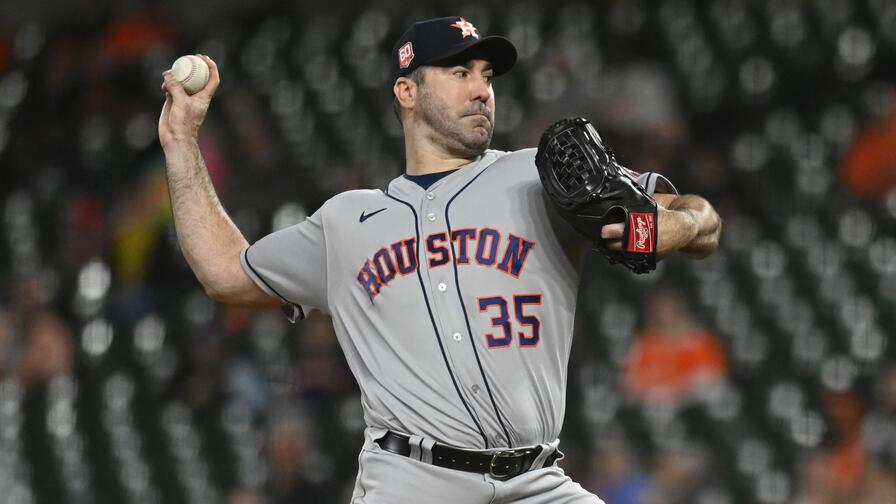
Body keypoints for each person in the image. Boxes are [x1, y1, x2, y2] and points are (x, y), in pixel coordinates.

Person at [158, 16, 721, 504]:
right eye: (459, 73)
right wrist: (181, 140)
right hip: (411, 482)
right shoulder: (346, 223)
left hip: (537, 479)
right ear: (406, 91)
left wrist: (666, 227)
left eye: (486, 75)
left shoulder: (537, 176)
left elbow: (701, 219)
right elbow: (225, 272)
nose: (481, 89)